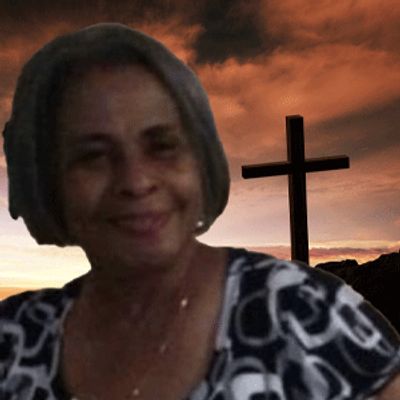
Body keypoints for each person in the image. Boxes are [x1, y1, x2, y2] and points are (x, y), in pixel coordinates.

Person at [0, 23, 399, 400]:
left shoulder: (306, 313)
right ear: (46, 181)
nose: (136, 181)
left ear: (201, 158)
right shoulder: (14, 336)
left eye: (162, 145)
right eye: (93, 156)